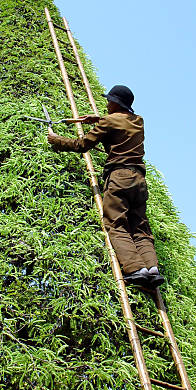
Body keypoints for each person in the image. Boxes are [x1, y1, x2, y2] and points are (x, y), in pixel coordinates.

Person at [47, 85, 164, 289]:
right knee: (140, 228)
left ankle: (135, 269)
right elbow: (120, 125)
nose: (106, 104)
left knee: (116, 223)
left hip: (119, 177)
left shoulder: (109, 121)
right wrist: (99, 119)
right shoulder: (138, 121)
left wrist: (56, 140)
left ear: (115, 103)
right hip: (139, 180)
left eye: (109, 101)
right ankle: (152, 268)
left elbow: (81, 145)